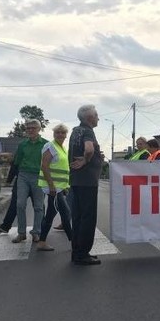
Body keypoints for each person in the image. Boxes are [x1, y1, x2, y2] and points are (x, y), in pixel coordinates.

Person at [69, 104, 103, 265]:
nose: (98, 117)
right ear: (89, 118)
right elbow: (88, 149)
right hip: (87, 182)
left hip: (76, 180)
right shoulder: (88, 131)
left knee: (77, 217)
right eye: (96, 115)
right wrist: (86, 159)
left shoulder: (76, 130)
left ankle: (77, 251)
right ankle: (83, 254)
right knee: (88, 218)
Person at [36, 124, 73, 251]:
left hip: (59, 188)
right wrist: (51, 185)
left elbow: (62, 169)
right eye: (58, 132)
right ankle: (73, 242)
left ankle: (41, 242)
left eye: (63, 133)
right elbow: (44, 166)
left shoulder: (62, 148)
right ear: (54, 134)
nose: (60, 135)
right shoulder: (50, 146)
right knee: (66, 213)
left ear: (66, 135)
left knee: (51, 213)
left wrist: (65, 187)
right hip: (52, 188)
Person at [12, 119, 48, 244]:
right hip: (23, 175)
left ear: (39, 129)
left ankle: (36, 232)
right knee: (20, 204)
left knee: (38, 206)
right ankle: (21, 233)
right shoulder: (22, 145)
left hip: (39, 176)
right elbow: (17, 162)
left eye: (33, 128)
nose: (31, 130)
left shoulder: (46, 144)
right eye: (28, 128)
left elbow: (50, 163)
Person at [0, 163, 35, 233]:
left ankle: (6, 226)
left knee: (16, 204)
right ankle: (6, 225)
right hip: (30, 179)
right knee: (38, 207)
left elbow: (15, 164)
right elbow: (15, 164)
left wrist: (9, 180)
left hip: (24, 179)